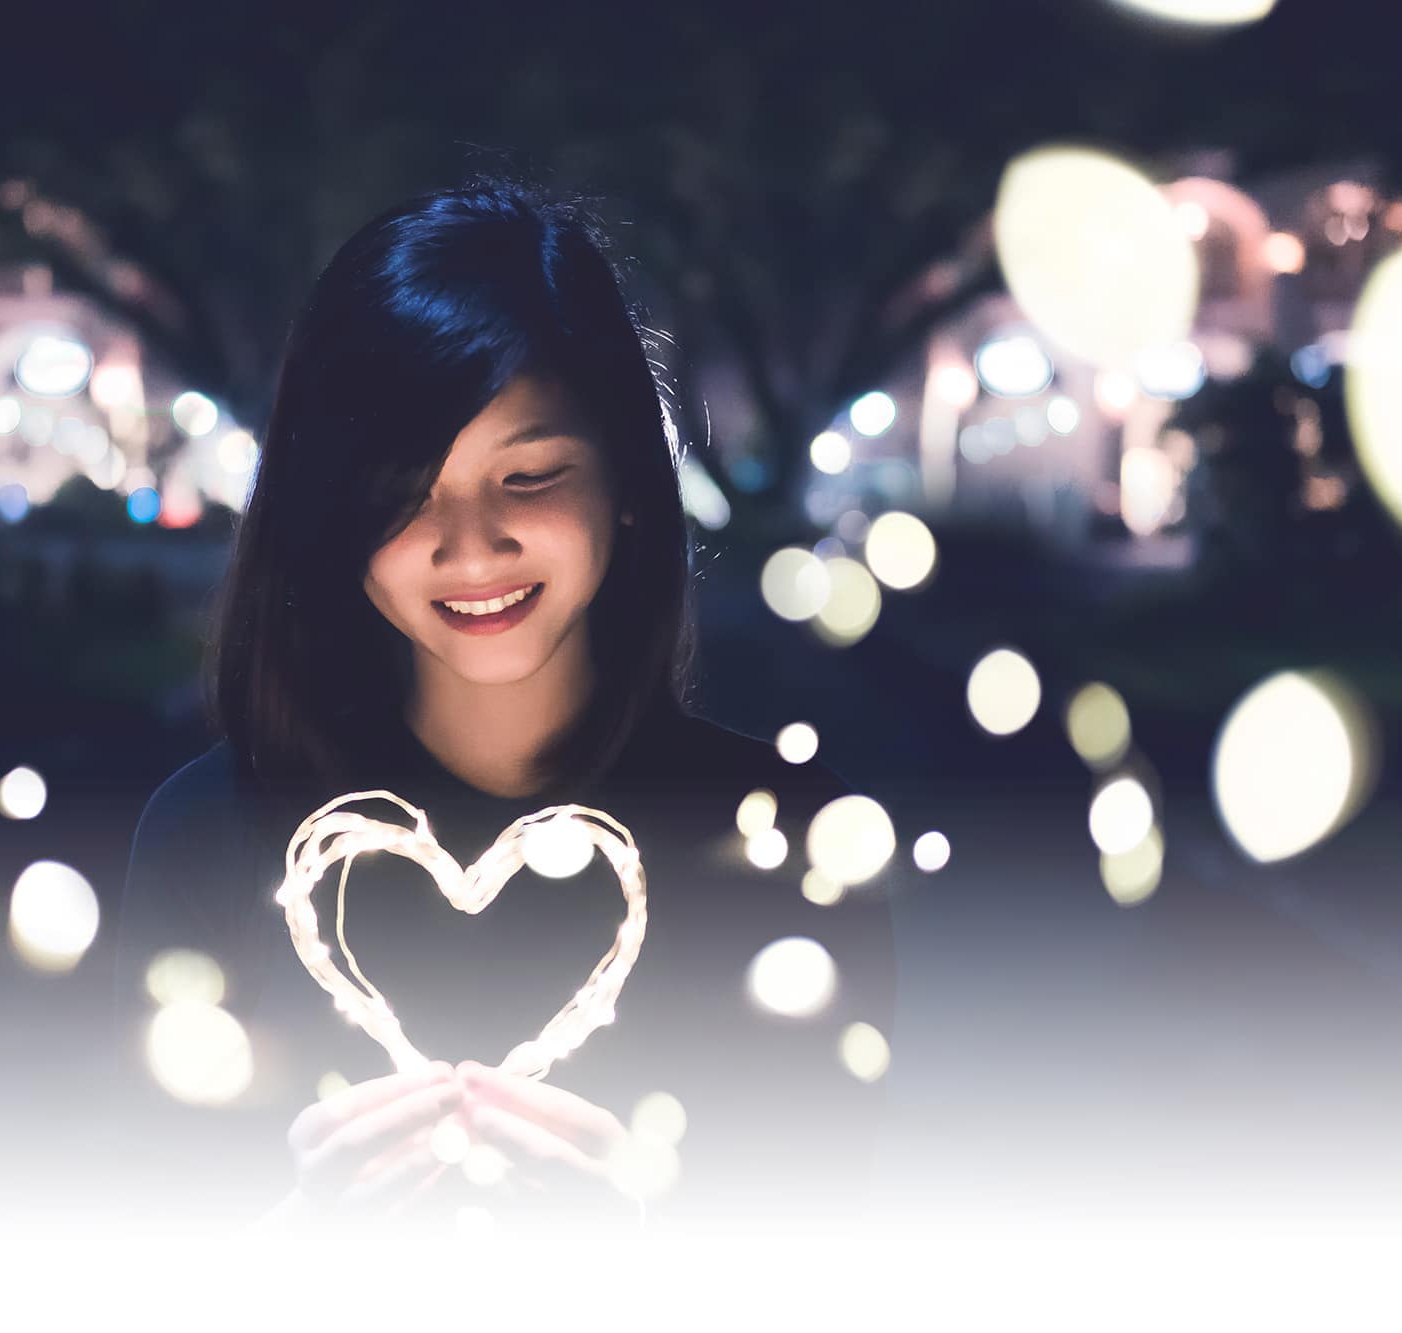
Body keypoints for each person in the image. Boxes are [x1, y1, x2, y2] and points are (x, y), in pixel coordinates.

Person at [111, 176, 898, 1238]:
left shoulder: (783, 841)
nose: (468, 545)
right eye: (402, 491)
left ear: (624, 479)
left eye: (527, 475)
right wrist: (293, 1244)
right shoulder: (210, 837)